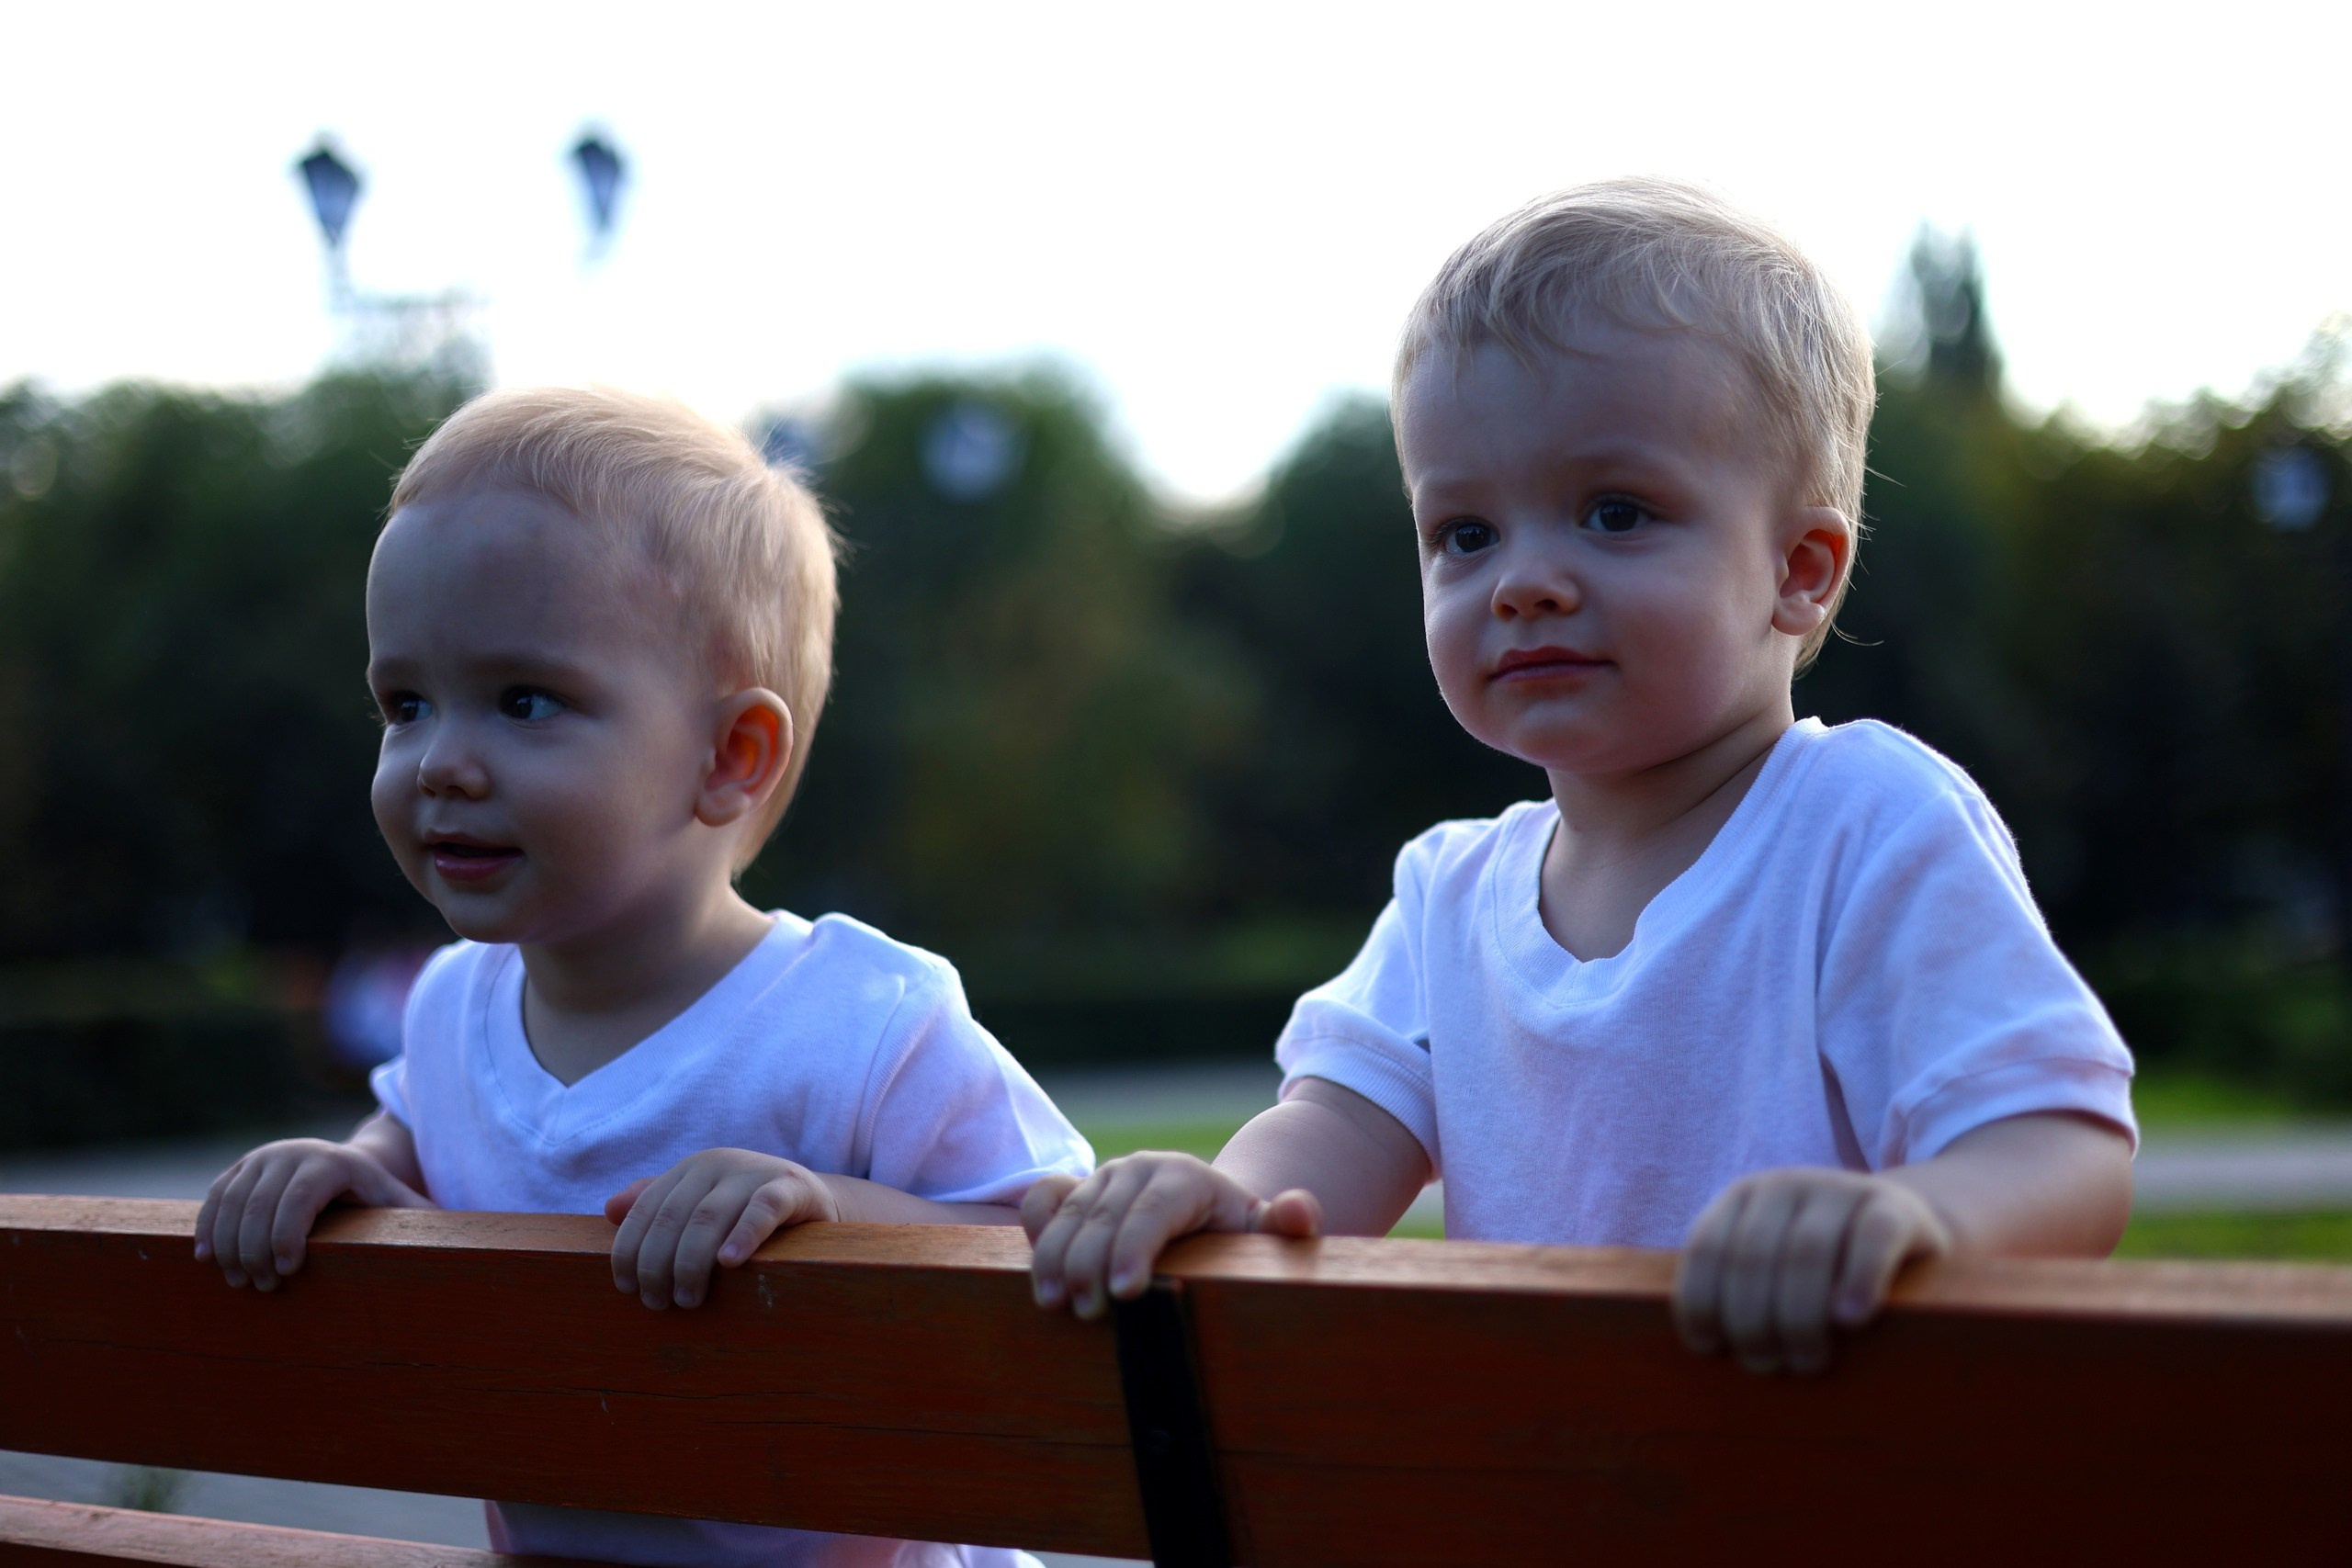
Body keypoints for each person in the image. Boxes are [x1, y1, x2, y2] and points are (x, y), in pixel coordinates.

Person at [1024, 178, 2136, 1376]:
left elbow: (2064, 1141)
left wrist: (1925, 1216)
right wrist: (1227, 1192)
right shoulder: (1451, 891)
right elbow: (1341, 1118)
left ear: (1800, 569)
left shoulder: (1865, 828)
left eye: (1614, 512)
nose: (1523, 580)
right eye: (1465, 533)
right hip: (1552, 1493)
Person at [195, 387, 1089, 1566]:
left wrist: (835, 1213)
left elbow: (1057, 1242)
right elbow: (419, 1132)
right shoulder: (453, 1006)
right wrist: (352, 1168)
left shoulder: (861, 1021)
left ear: (731, 756)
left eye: (524, 700)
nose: (441, 761)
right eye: (403, 704)